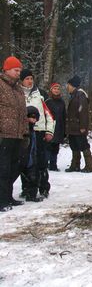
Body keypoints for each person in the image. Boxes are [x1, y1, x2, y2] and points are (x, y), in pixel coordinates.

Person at [20, 69, 55, 198]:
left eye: (31, 78)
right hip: (24, 132)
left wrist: (49, 131)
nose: (29, 81)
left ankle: (44, 187)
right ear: (22, 80)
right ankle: (27, 188)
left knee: (41, 161)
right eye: (27, 79)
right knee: (26, 162)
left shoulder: (41, 94)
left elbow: (50, 115)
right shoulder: (18, 94)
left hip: (39, 132)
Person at [0, 56, 27, 212]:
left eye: (19, 70)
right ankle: (1, 200)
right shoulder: (1, 85)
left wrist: (25, 133)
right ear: (7, 69)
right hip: (4, 135)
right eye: (16, 70)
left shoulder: (18, 89)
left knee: (13, 168)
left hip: (17, 135)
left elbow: (22, 113)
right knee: (3, 169)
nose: (18, 73)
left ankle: (8, 197)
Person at [65, 75, 92, 173]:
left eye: (68, 85)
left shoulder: (80, 95)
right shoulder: (74, 95)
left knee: (83, 145)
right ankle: (75, 165)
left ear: (73, 85)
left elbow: (83, 112)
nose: (67, 87)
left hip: (78, 127)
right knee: (74, 145)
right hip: (73, 127)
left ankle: (90, 166)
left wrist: (83, 126)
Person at [19, 106, 43, 202]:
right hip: (25, 157)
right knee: (29, 176)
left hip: (31, 157)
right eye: (31, 117)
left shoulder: (32, 130)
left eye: (35, 118)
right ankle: (28, 193)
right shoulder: (25, 129)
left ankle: (30, 193)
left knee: (32, 176)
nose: (33, 119)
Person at [45, 82, 66, 171]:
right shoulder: (48, 101)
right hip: (49, 127)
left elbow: (64, 116)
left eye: (58, 89)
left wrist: (64, 129)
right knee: (47, 147)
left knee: (55, 147)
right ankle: (45, 164)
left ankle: (53, 165)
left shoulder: (62, 102)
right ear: (51, 90)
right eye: (54, 89)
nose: (56, 90)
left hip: (59, 127)